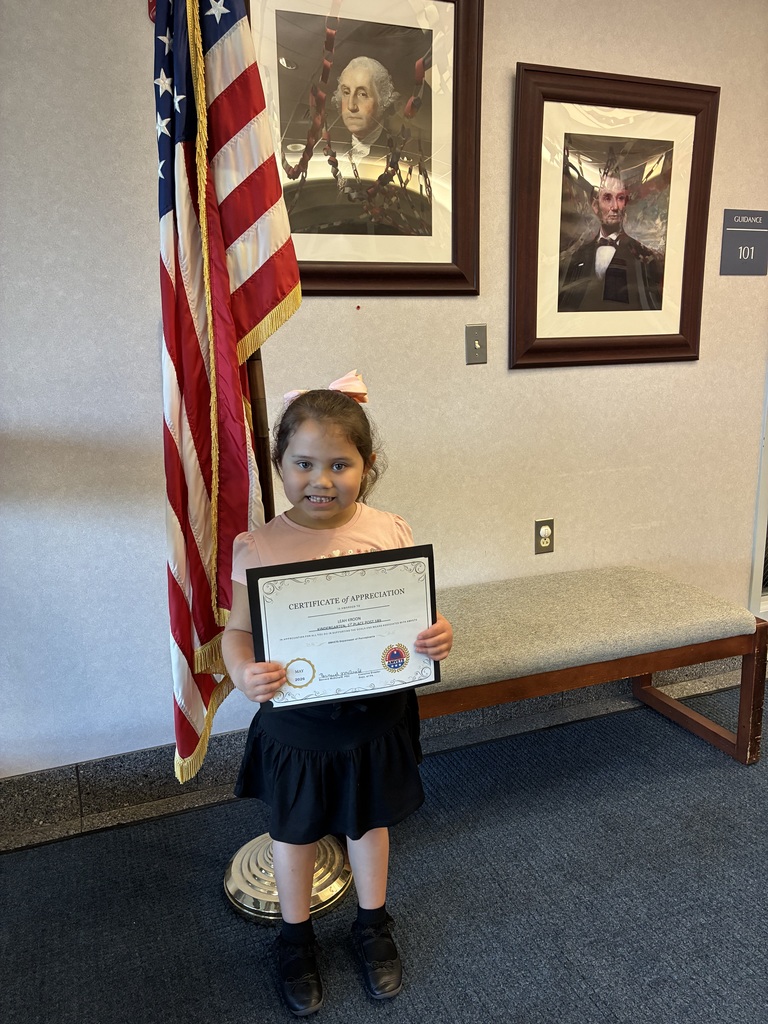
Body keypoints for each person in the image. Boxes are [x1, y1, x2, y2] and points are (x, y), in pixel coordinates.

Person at [222, 371, 453, 1017]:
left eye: (338, 464)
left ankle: (372, 925)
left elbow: (415, 623)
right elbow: (235, 634)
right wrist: (244, 673)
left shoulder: (389, 530)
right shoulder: (259, 545)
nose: (320, 479)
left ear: (367, 467)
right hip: (299, 728)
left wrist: (435, 637)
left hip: (375, 720)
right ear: (280, 465)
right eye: (303, 463)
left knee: (368, 823)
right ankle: (294, 942)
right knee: (292, 833)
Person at [558, 173, 665, 312]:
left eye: (620, 198)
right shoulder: (578, 254)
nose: (614, 207)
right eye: (607, 198)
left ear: (625, 204)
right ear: (595, 206)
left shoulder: (644, 257)